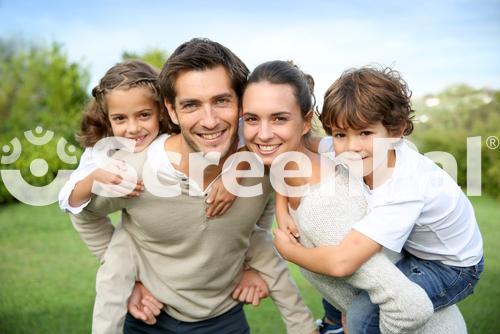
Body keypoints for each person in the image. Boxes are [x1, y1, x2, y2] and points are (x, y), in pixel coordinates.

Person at [69, 38, 317, 334]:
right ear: (170, 111)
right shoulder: (133, 171)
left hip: (225, 317)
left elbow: (261, 210)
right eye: (191, 105)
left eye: (221, 101)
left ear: (241, 104)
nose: (209, 121)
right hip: (149, 318)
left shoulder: (263, 161)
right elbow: (83, 213)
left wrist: (252, 268)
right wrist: (128, 276)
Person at [273, 66, 484, 333]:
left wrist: (290, 251)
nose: (351, 147)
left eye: (365, 133)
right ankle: (334, 322)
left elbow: (342, 262)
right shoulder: (352, 148)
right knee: (352, 282)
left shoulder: (402, 188)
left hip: (452, 267)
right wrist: (282, 208)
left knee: (363, 315)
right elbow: (294, 148)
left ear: (395, 131)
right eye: (339, 134)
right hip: (415, 248)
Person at [58, 60, 246, 333]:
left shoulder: (181, 136)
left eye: (143, 115)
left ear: (161, 111)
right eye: (120, 118)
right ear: (107, 119)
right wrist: (94, 177)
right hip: (129, 237)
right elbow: (70, 200)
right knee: (112, 279)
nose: (133, 129)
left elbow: (245, 139)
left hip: (178, 250)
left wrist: (235, 172)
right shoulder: (103, 151)